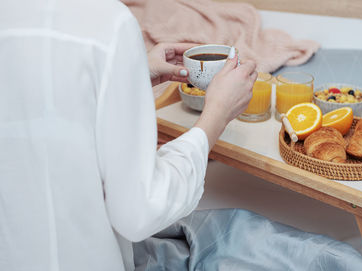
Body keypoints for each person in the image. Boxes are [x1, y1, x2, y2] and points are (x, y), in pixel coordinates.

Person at [0, 0, 256, 270]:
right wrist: (216, 115)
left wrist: (124, 77)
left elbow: (35, 107)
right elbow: (139, 212)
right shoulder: (110, 23)